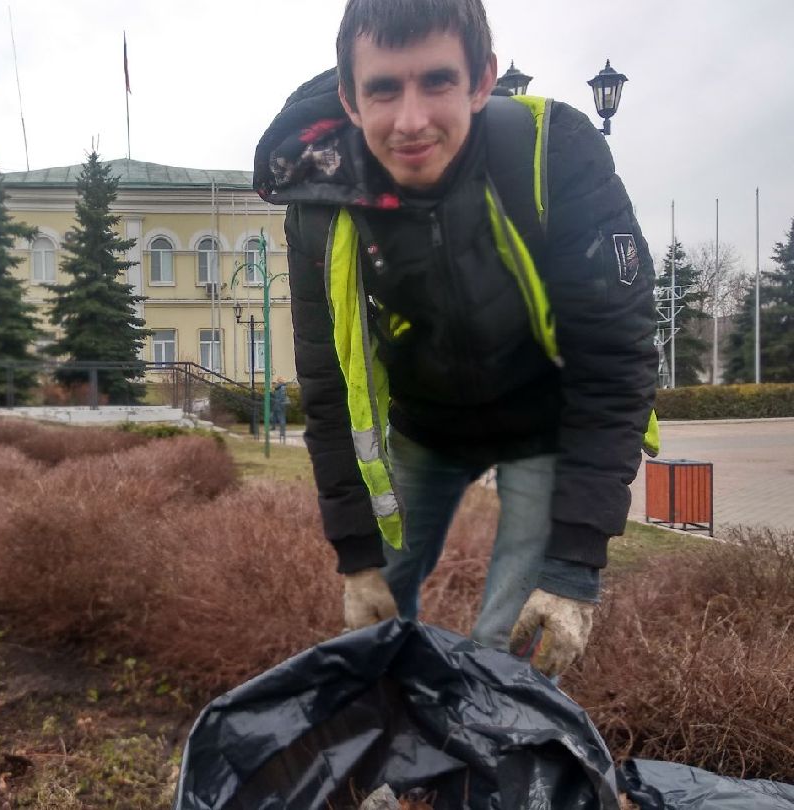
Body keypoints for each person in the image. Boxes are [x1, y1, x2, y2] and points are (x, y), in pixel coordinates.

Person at [253, 0, 657, 677]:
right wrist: (356, 559)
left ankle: (495, 776)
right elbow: (328, 388)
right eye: (383, 88)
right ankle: (391, 775)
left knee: (514, 653)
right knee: (371, 640)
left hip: (544, 423)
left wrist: (573, 567)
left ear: (481, 80)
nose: (410, 121)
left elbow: (615, 360)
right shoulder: (319, 207)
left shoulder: (553, 155)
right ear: (351, 99)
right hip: (424, 427)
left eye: (436, 81)